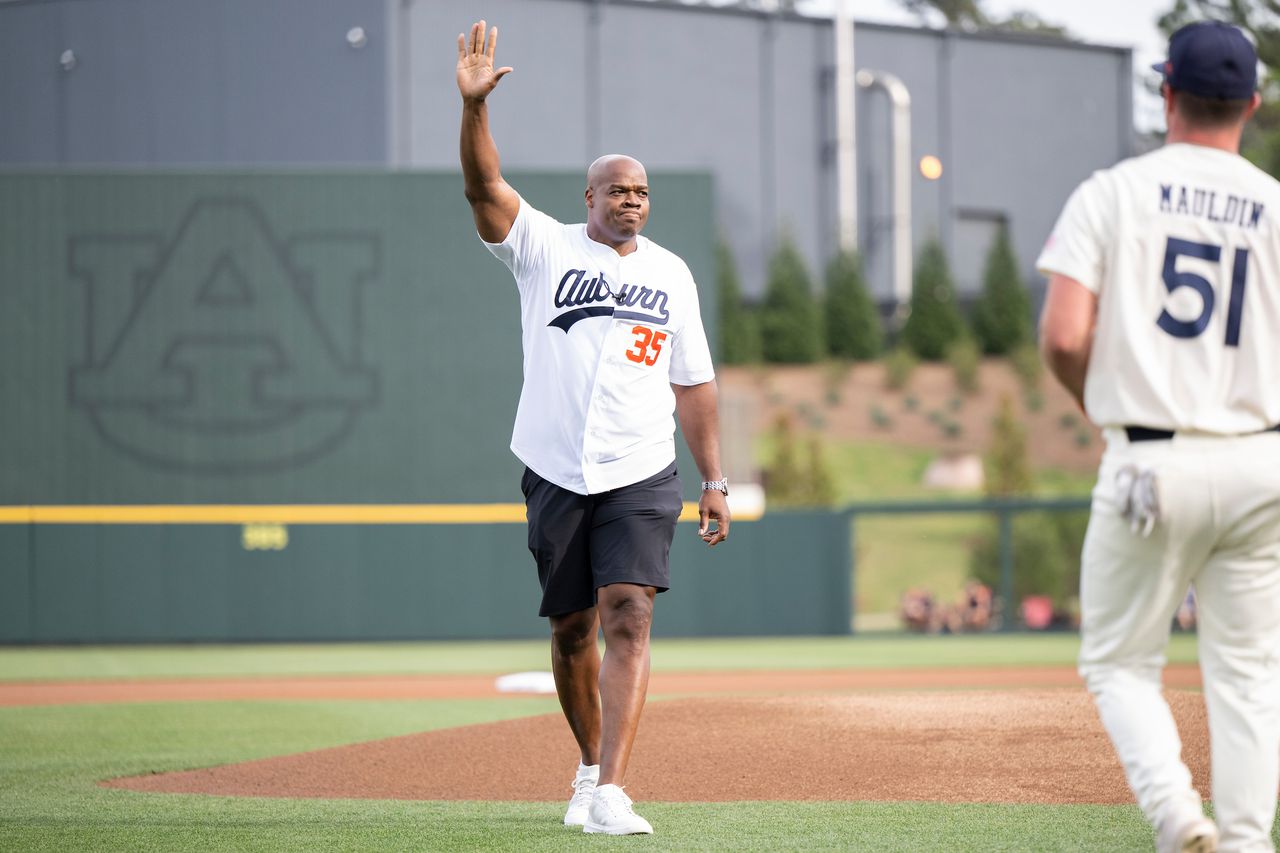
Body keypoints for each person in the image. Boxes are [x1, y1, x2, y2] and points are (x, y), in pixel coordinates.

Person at [455, 20, 730, 836]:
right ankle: (585, 770)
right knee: (572, 627)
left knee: (629, 612)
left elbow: (695, 383)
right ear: (589, 199)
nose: (631, 199)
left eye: (641, 190)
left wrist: (713, 478)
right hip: (555, 467)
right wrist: (473, 112)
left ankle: (612, 788)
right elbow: (483, 190)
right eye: (617, 189)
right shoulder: (546, 246)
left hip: (641, 466)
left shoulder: (671, 274)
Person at [1038, 20, 1280, 853]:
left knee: (1118, 661)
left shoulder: (1111, 192)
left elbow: (1065, 335)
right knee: (1250, 675)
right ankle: (1249, 843)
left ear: (1166, 92)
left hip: (1152, 455)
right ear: (1252, 102)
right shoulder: (1277, 206)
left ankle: (1179, 817)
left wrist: (1095, 407)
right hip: (1262, 457)